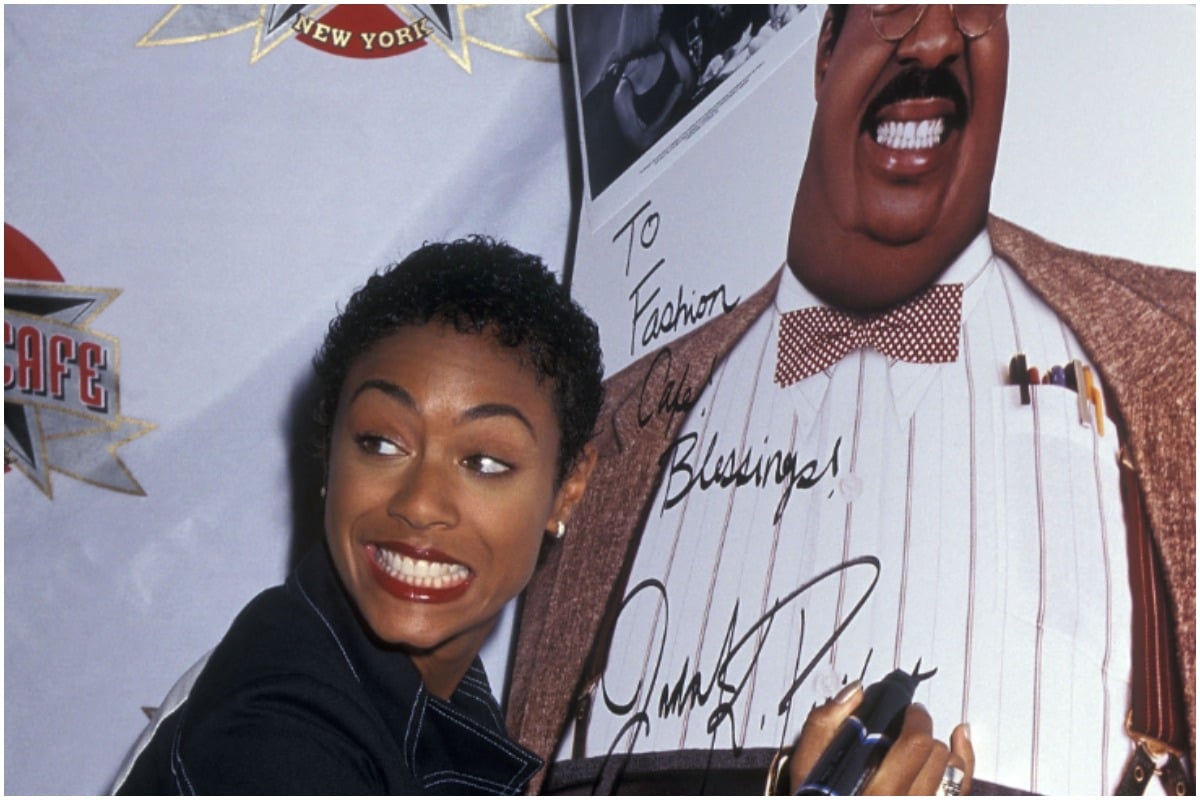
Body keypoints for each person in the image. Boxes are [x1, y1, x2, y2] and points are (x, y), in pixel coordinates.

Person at [508, 5, 1194, 795]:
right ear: (821, 51)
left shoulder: (1176, 352)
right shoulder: (613, 425)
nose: (937, 38)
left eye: (974, 9)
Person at [113, 237, 603, 793]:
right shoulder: (275, 746)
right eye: (381, 443)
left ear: (568, 487)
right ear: (330, 453)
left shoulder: (431, 685)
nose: (419, 503)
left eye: (484, 461)